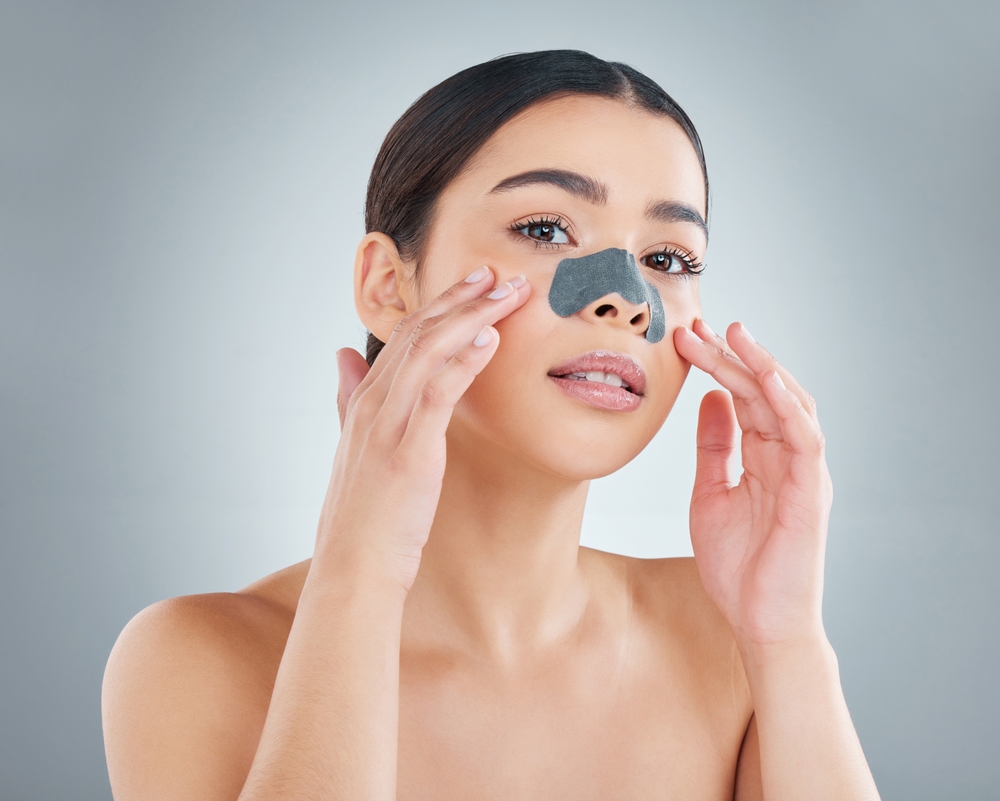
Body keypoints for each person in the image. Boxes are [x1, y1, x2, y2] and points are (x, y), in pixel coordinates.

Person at [101, 50, 881, 800]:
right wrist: (359, 580)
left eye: (670, 258)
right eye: (545, 228)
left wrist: (788, 644)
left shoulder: (729, 640)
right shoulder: (196, 662)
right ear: (387, 284)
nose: (627, 298)